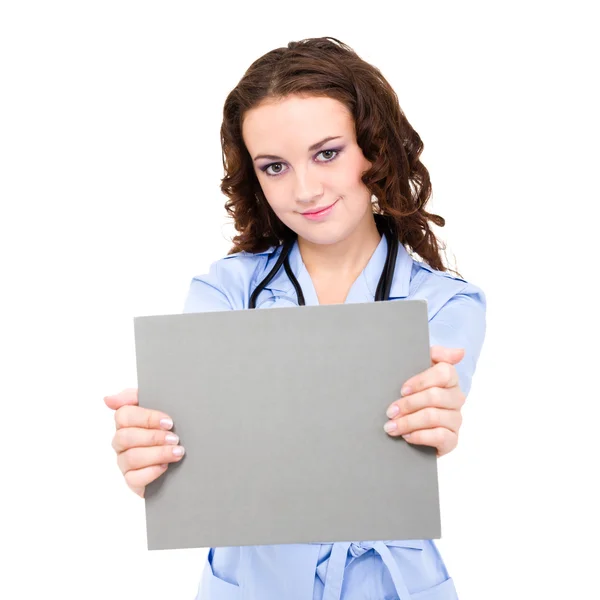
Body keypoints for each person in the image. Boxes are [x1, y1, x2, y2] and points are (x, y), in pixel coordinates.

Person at [104, 37, 486, 600]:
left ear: (372, 150)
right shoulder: (223, 292)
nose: (304, 190)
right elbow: (199, 463)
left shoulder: (448, 303)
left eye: (327, 152)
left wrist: (436, 413)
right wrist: (154, 459)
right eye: (275, 166)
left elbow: (430, 417)